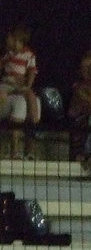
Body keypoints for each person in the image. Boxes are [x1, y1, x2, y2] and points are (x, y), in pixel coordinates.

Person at [0, 24, 41, 159]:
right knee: (3, 92)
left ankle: (32, 118)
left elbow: (31, 71)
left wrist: (27, 85)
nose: (8, 41)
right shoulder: (8, 54)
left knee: (30, 96)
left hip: (19, 86)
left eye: (12, 39)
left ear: (20, 41)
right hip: (8, 83)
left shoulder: (28, 55)